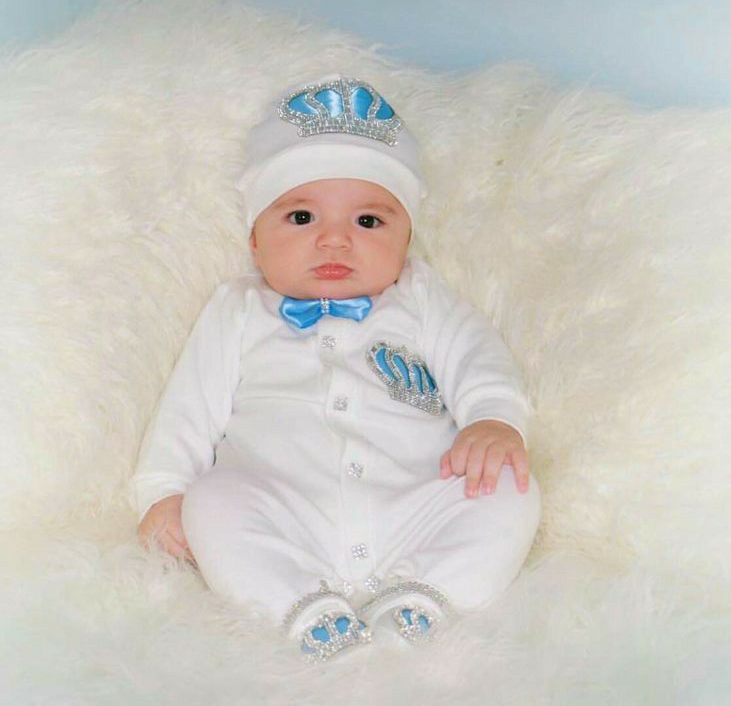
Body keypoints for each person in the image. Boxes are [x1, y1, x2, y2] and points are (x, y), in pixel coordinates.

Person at [131, 75, 541, 662]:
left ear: (406, 238)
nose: (333, 242)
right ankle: (300, 604)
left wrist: (494, 420)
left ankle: (426, 596)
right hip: (284, 506)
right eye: (301, 218)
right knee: (212, 500)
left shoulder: (422, 298)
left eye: (368, 223)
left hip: (415, 501)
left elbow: (477, 357)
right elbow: (190, 407)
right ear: (254, 239)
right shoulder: (238, 310)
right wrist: (163, 492)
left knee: (510, 486)